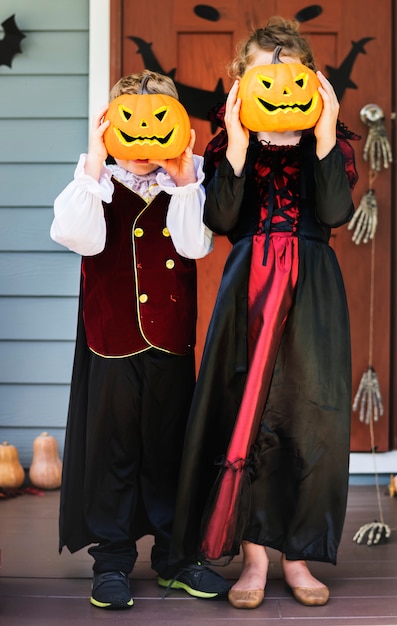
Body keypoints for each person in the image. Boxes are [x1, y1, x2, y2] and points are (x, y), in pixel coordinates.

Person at [171, 17, 359, 610]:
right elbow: (222, 220)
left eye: (288, 73)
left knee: (307, 416)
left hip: (313, 288)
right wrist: (236, 138)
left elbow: (333, 211)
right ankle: (252, 556)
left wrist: (325, 134)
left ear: (310, 81)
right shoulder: (230, 145)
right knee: (245, 412)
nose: (276, 85)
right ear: (240, 81)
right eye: (262, 73)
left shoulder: (330, 142)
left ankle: (296, 557)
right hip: (249, 286)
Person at [51, 70, 230, 610]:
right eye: (130, 124)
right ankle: (112, 560)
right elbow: (77, 237)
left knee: (171, 445)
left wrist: (183, 180)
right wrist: (92, 158)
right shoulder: (93, 179)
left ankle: (177, 557)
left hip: (169, 340)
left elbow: (196, 246)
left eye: (159, 123)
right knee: (113, 446)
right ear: (109, 126)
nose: (144, 140)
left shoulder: (190, 179)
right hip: (111, 338)